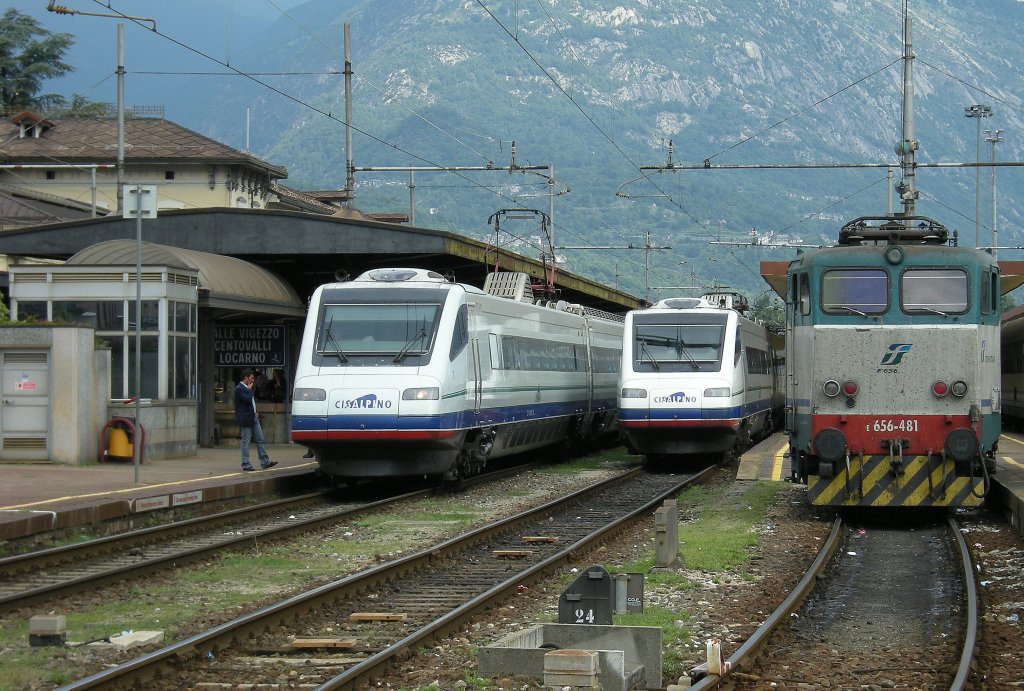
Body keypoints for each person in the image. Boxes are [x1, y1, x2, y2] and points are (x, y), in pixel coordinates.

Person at [234, 368, 277, 471]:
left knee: (260, 439)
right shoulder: (239, 389)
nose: (253, 380)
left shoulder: (249, 388)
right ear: (246, 378)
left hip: (253, 417)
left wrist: (255, 411)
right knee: (246, 441)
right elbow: (248, 400)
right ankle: (245, 463)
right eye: (251, 378)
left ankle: (265, 461)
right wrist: (249, 390)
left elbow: (252, 402)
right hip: (245, 419)